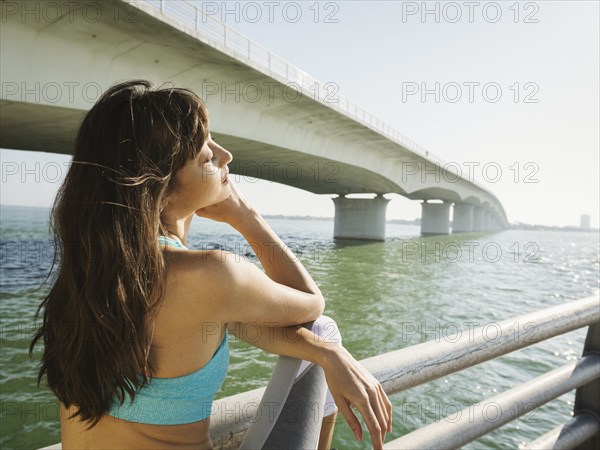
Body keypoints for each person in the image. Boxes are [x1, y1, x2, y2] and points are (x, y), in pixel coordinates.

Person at [30, 80, 392, 449]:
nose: (225, 155)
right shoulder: (210, 274)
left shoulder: (93, 268)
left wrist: (318, 351)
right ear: (160, 187)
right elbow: (310, 302)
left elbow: (220, 318)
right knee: (324, 330)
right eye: (206, 153)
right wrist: (245, 215)